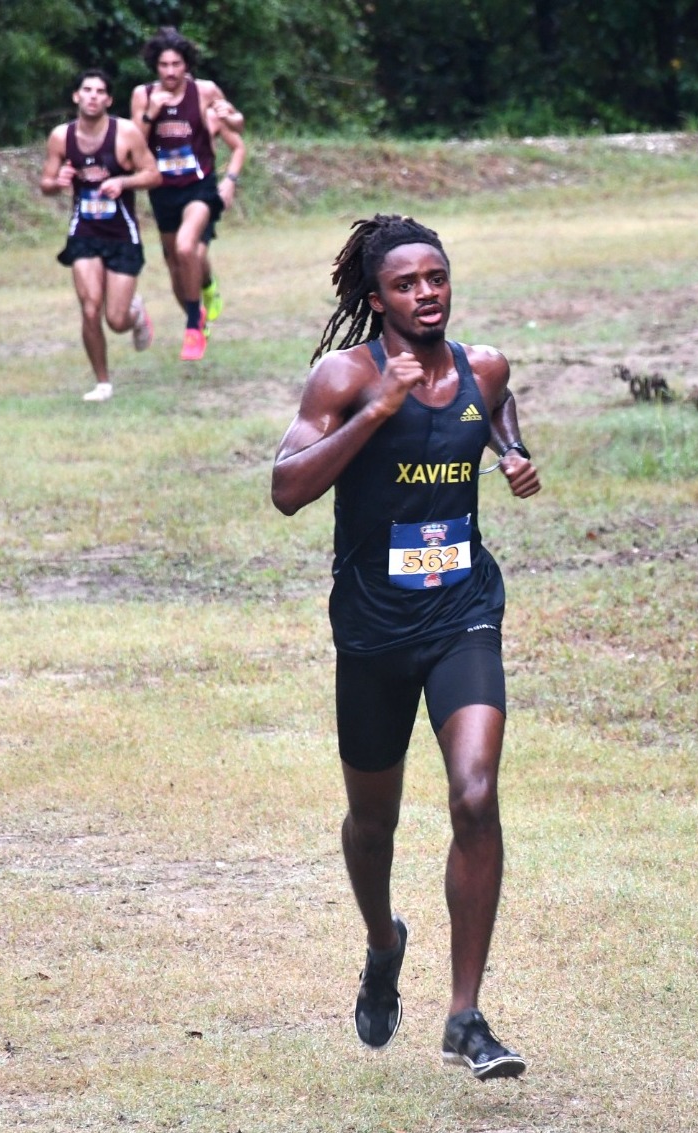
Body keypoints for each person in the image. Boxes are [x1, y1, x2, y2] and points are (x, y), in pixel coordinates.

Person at [271, 215, 541, 1081]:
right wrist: (377, 411)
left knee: (475, 792)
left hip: (462, 610)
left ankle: (465, 1016)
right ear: (377, 297)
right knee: (373, 823)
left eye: (438, 277)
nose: (426, 293)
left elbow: (495, 411)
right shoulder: (344, 377)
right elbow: (285, 489)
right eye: (406, 283)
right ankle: (382, 941)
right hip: (373, 630)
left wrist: (513, 452)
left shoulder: (483, 365)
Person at [39, 69, 163, 402]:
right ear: (76, 97)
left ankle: (135, 313)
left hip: (122, 232)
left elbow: (153, 174)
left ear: (108, 100)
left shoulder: (126, 133)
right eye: (87, 90)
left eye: (100, 92)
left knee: (116, 320)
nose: (93, 96)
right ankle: (103, 383)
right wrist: (59, 181)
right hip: (84, 231)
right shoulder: (60, 138)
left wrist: (123, 182)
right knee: (90, 307)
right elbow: (46, 185)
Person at [130, 26, 246, 362]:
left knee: (186, 246)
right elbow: (133, 142)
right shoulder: (143, 94)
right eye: (164, 65)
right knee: (177, 266)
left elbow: (236, 125)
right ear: (155, 66)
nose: (169, 71)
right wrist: (152, 110)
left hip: (200, 186)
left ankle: (195, 327)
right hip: (163, 189)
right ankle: (204, 295)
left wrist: (230, 178)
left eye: (176, 64)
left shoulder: (205, 91)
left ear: (186, 65)